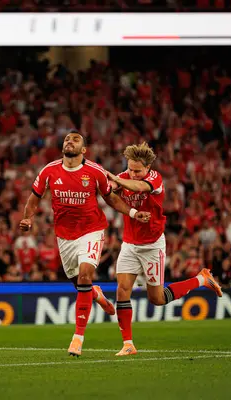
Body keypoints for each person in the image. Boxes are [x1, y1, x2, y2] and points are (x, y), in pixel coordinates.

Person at [19, 130, 151, 357]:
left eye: (75, 139)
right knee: (80, 284)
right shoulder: (49, 170)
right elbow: (34, 198)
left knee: (84, 276)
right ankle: (97, 295)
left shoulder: (95, 171)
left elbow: (110, 198)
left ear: (83, 150)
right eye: (67, 139)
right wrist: (28, 217)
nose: (69, 141)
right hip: (64, 236)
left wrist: (132, 212)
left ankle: (77, 339)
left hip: (92, 230)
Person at [106, 143, 222, 356]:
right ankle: (128, 344)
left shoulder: (154, 180)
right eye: (130, 169)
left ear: (148, 167)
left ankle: (202, 279)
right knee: (122, 290)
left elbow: (137, 187)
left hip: (152, 245)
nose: (133, 173)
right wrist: (109, 185)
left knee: (157, 299)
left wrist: (117, 180)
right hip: (130, 244)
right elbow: (111, 190)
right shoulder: (125, 176)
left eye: (137, 170)